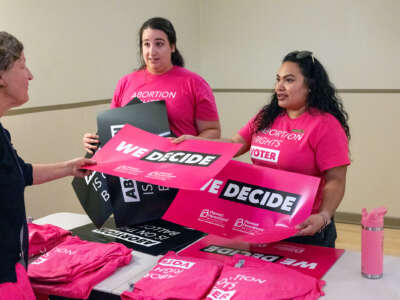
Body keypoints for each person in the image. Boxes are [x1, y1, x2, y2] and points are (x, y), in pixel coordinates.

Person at [173, 50, 350, 248]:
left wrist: (324, 216)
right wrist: (196, 143)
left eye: (289, 80)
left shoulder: (325, 125)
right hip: (263, 223)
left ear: (310, 86)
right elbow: (234, 144)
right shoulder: (267, 116)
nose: (279, 87)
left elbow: (336, 179)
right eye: (278, 80)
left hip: (305, 229)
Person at [0, 31, 96, 298]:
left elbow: (21, 172)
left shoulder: (1, 133)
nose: (30, 75)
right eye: (22, 65)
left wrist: (69, 167)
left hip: (12, 266)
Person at [83, 17, 220, 153]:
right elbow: (112, 130)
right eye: (146, 44)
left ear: (172, 46)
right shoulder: (126, 82)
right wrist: (94, 141)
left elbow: (213, 131)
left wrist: (190, 145)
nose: (152, 51)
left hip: (180, 166)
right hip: (135, 168)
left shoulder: (194, 83)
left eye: (159, 44)